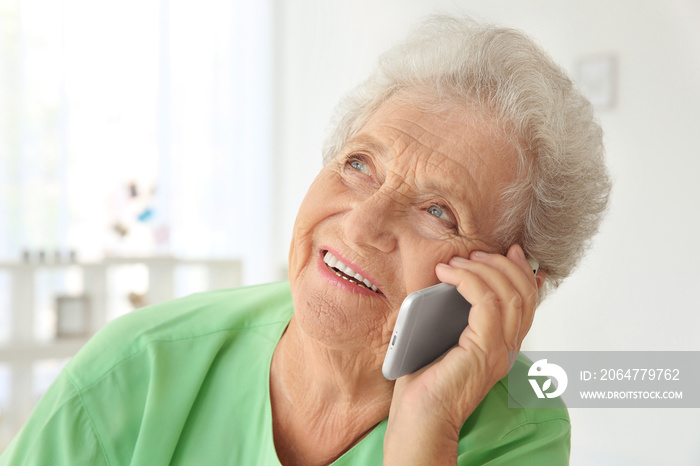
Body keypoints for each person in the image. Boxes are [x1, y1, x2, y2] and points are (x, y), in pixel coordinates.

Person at [0, 15, 611, 465]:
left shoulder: (517, 429)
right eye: (358, 165)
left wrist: (426, 428)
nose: (363, 223)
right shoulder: (133, 370)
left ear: (513, 286)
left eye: (437, 211)